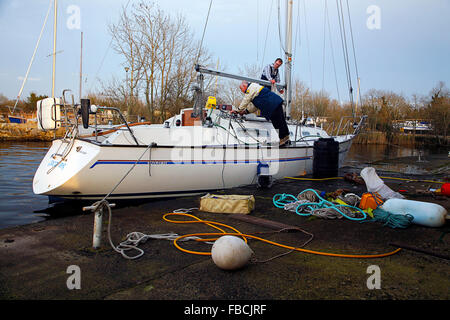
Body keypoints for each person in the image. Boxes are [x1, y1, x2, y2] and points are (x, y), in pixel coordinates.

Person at [231, 81, 290, 147]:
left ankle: (282, 140)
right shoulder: (255, 90)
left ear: (245, 86)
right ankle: (286, 138)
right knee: (281, 121)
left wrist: (238, 110)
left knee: (277, 122)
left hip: (271, 105)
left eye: (241, 89)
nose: (242, 92)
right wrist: (245, 112)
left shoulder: (250, 88)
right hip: (275, 101)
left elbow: (246, 100)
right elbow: (255, 106)